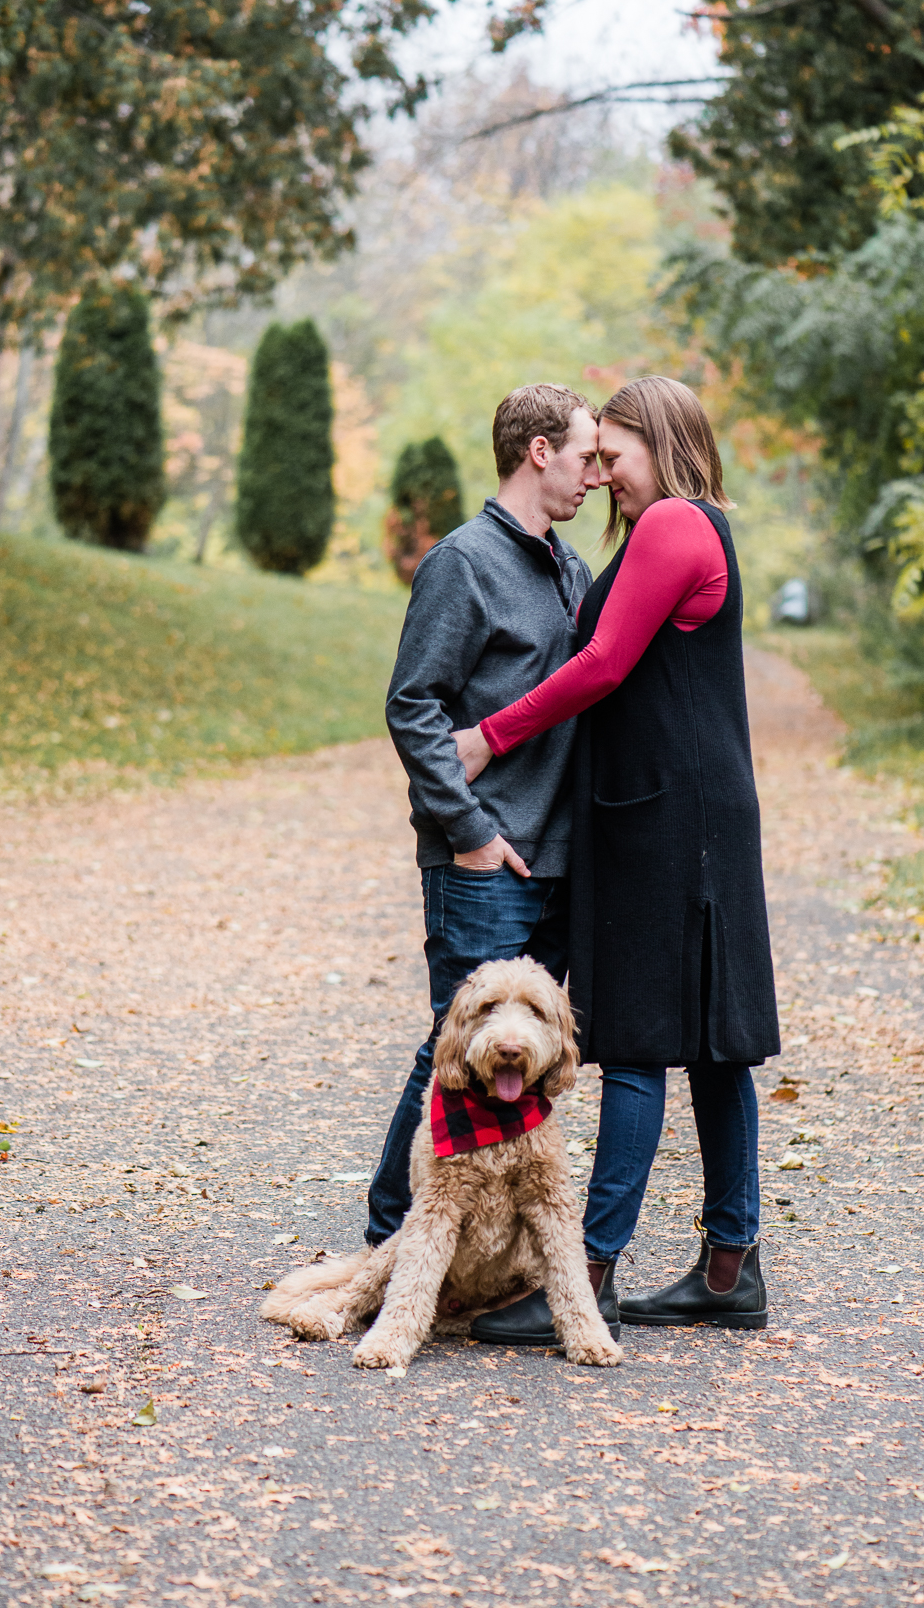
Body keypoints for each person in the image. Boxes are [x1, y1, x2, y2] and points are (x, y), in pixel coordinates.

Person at [452, 374, 781, 1339]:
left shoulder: (678, 523)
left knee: (638, 1044)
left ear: (662, 441)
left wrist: (489, 737)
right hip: (691, 812)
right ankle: (729, 1272)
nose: (601, 475)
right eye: (592, 458)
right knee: (715, 1047)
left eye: (613, 454)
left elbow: (600, 666)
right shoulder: (685, 528)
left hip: (669, 818)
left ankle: (584, 1282)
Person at [364, 384, 602, 1254]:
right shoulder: (461, 563)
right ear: (538, 452)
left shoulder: (568, 569)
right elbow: (412, 705)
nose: (596, 478)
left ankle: (489, 1249)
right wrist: (466, 832)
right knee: (454, 1053)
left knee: (523, 1068)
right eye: (584, 457)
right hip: (485, 860)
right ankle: (394, 1236)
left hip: (560, 862)